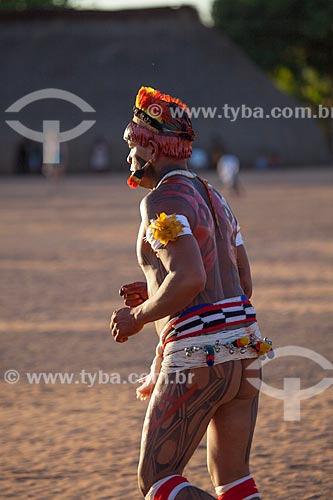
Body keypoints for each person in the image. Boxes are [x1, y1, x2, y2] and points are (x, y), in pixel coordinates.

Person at [110, 86, 273, 500]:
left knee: (158, 484)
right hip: (246, 348)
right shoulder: (215, 197)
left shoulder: (162, 199)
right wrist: (153, 288)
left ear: (153, 148)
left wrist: (140, 315)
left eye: (132, 143)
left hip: (200, 356)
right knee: (235, 482)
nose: (128, 153)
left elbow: (189, 279)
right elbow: (240, 283)